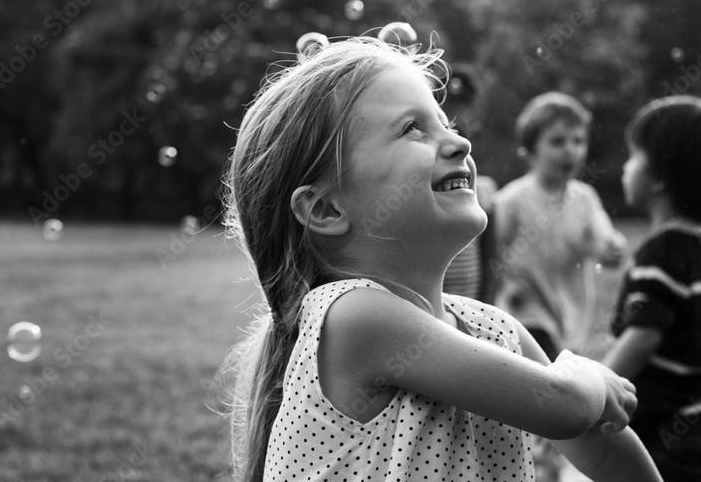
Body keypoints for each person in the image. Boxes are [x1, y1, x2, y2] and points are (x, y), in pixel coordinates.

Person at [216, 37, 662, 482]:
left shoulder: (493, 328)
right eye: (413, 128)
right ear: (327, 210)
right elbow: (565, 407)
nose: (459, 142)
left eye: (446, 123)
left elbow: (597, 448)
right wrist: (587, 374)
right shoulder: (351, 316)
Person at [603, 96, 701, 482]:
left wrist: (595, 390)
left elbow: (644, 335)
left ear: (659, 178)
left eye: (634, 156)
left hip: (667, 431)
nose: (626, 167)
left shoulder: (661, 251)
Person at [492, 92, 627, 360]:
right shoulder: (512, 200)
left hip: (571, 315)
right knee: (549, 373)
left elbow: (603, 238)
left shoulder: (585, 199)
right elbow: (490, 251)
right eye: (557, 141)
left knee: (558, 375)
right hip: (525, 312)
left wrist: (613, 248)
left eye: (578, 141)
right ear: (530, 151)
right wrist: (503, 288)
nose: (570, 150)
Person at [440, 65, 499, 303]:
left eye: (463, 108)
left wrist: (487, 308)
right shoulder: (421, 188)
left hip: (471, 306)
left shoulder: (483, 191)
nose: (457, 117)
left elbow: (491, 258)